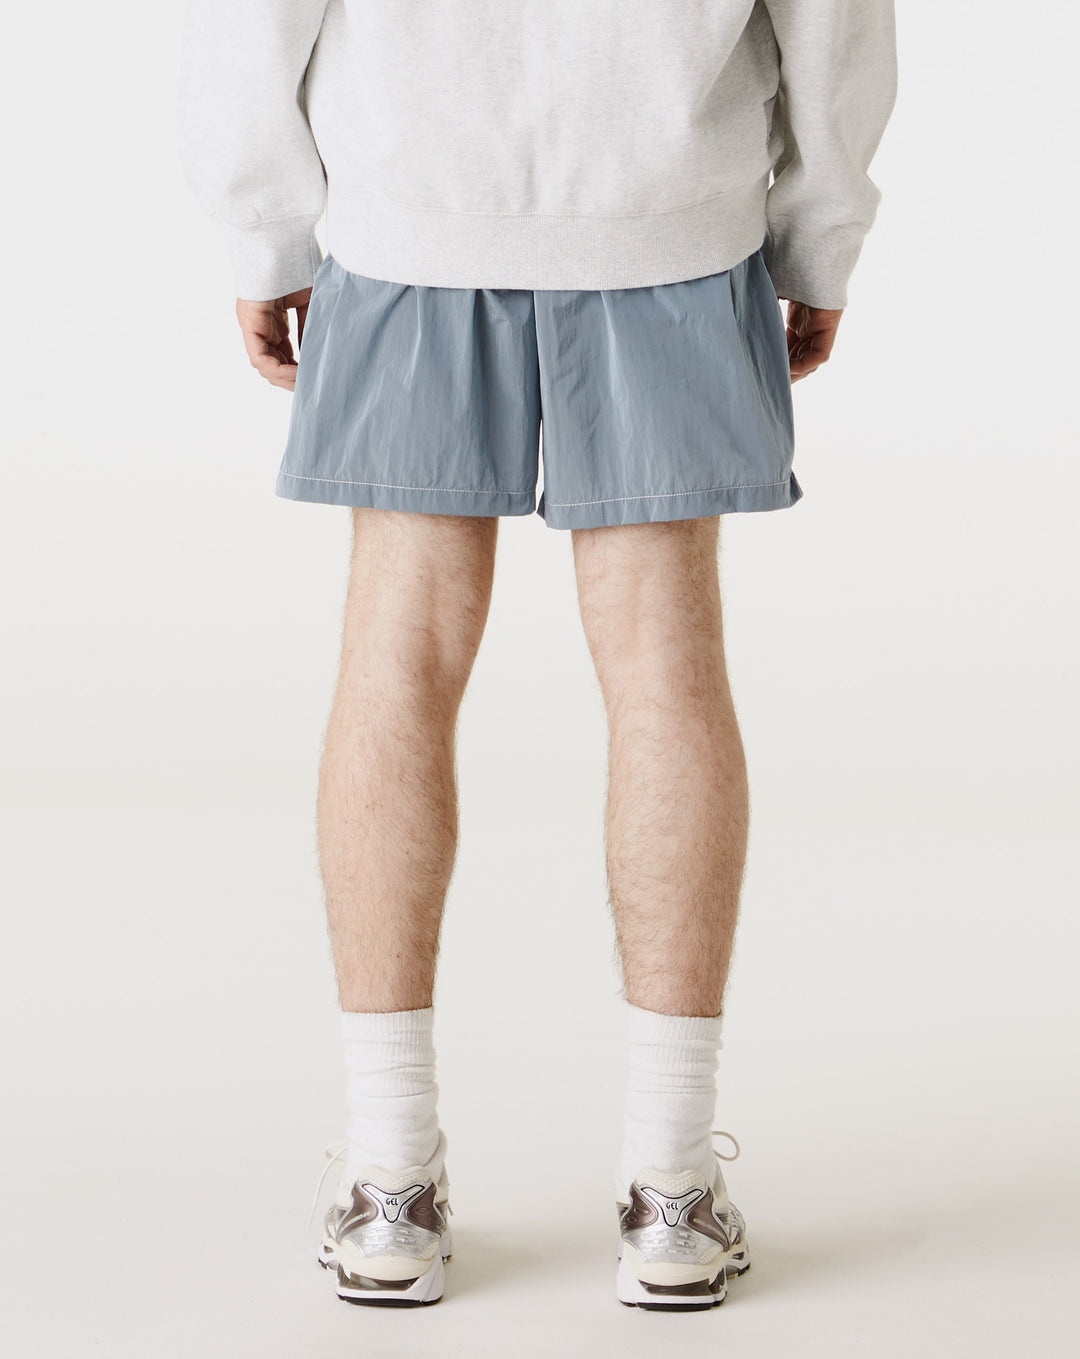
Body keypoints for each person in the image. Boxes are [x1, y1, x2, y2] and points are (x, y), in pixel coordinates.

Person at [178, 0, 897, 1312]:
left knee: (399, 653)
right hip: (667, 213)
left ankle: (392, 1181)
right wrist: (821, 234)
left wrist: (265, 227)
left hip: (415, 207)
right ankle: (672, 1192)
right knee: (665, 661)